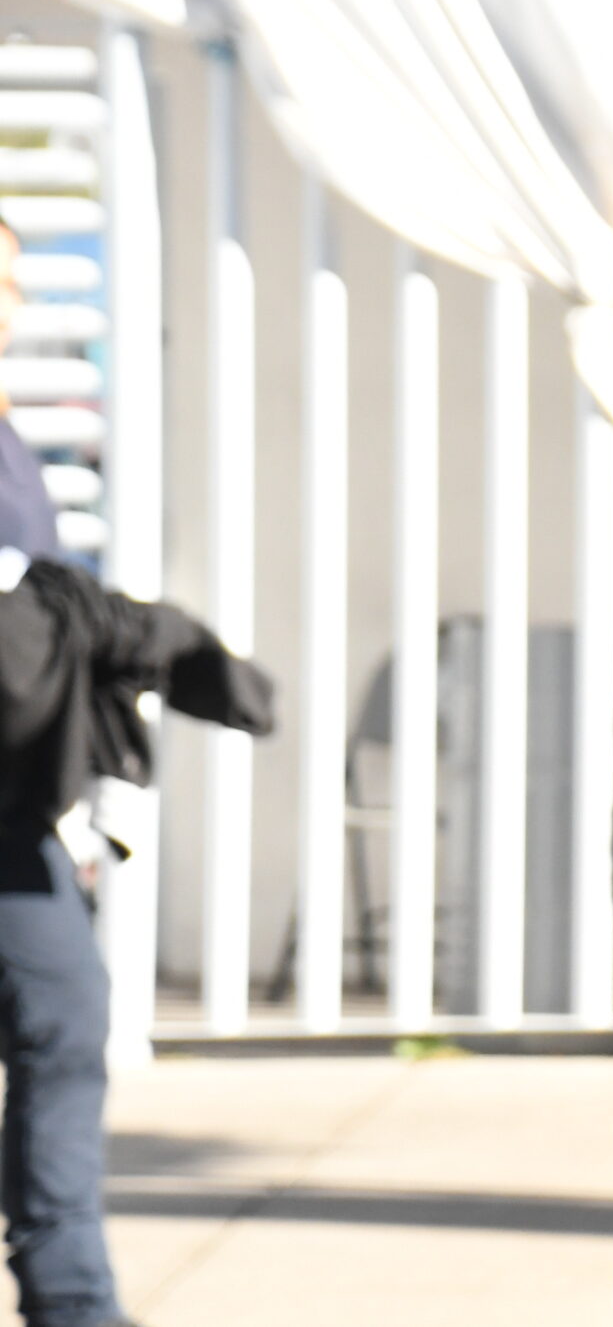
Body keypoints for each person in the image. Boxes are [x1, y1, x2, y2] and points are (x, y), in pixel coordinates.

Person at [0, 223, 275, 1327]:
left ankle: (74, 1302)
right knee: (61, 1018)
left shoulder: (10, 436)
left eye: (10, 281)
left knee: (66, 1019)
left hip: (18, 812)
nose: (6, 304)